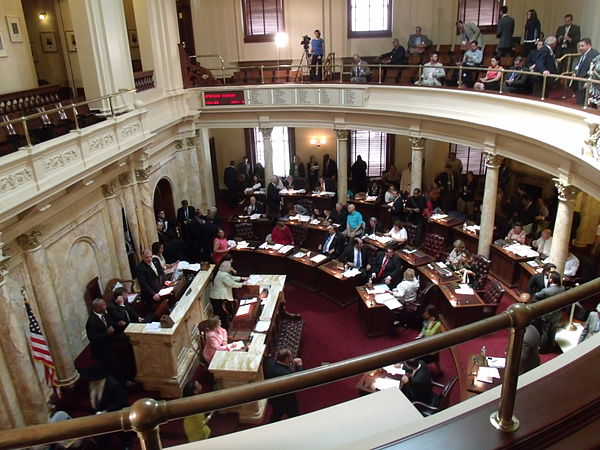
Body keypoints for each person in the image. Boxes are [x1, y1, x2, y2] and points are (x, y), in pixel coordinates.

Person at [84, 365, 133, 449]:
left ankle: (127, 444)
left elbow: (121, 401)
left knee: (122, 433)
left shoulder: (114, 385)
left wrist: (106, 411)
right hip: (101, 414)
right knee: (103, 435)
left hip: (116, 414)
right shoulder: (93, 384)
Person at [263, 348, 303, 422]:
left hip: (272, 396)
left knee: (277, 412)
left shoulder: (269, 362)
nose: (292, 357)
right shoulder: (286, 373)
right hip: (285, 398)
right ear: (287, 359)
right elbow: (299, 380)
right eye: (291, 356)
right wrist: (300, 365)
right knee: (293, 414)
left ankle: (271, 426)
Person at [85, 298, 120, 381]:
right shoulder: (91, 322)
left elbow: (109, 323)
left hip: (109, 344)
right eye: (103, 305)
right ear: (97, 308)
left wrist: (117, 323)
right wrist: (106, 333)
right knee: (112, 366)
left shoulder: (103, 314)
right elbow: (93, 338)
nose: (106, 306)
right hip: (101, 349)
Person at [209, 260, 247, 329]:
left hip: (218, 297)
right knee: (222, 314)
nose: (231, 267)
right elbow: (232, 283)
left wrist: (242, 278)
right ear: (226, 268)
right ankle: (224, 328)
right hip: (218, 298)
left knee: (224, 313)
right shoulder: (223, 275)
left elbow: (231, 278)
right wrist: (243, 284)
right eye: (230, 266)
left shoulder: (221, 272)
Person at [533, 271, 565, 353]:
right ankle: (551, 347)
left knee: (545, 332)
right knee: (553, 331)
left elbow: (537, 295)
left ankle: (543, 349)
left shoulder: (546, 291)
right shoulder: (563, 288)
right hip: (557, 314)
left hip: (546, 315)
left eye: (549, 277)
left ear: (551, 280)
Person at [415, 305, 443, 375]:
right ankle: (440, 371)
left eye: (426, 313)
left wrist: (429, 327)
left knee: (421, 359)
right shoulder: (427, 320)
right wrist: (421, 334)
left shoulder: (438, 324)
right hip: (426, 342)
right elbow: (424, 328)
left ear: (431, 315)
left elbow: (430, 334)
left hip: (433, 346)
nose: (424, 314)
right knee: (435, 358)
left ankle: (422, 373)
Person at [575, 38, 599, 106]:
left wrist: (589, 80)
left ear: (589, 45)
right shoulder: (583, 53)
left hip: (588, 80)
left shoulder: (595, 54)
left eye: (582, 46)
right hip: (580, 79)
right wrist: (575, 72)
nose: (580, 48)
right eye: (579, 46)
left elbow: (594, 69)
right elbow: (579, 64)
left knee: (588, 101)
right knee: (580, 99)